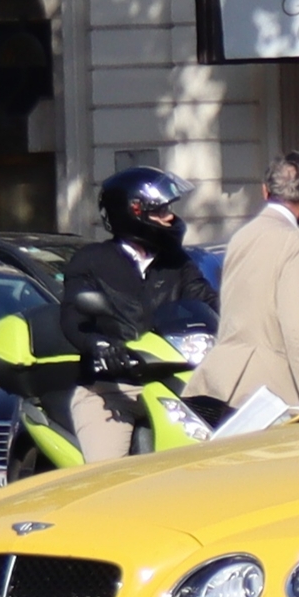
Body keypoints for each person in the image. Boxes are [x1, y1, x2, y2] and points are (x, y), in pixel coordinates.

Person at [59, 167, 218, 463]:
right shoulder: (91, 261)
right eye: (161, 211)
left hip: (174, 385)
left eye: (169, 209)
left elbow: (207, 301)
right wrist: (98, 345)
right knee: (106, 473)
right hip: (111, 390)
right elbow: (72, 317)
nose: (171, 217)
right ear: (133, 212)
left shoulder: (177, 263)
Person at [192, 152, 299, 417]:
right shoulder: (296, 242)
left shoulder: (242, 237)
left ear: (265, 191)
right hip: (276, 393)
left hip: (227, 384)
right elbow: (295, 328)